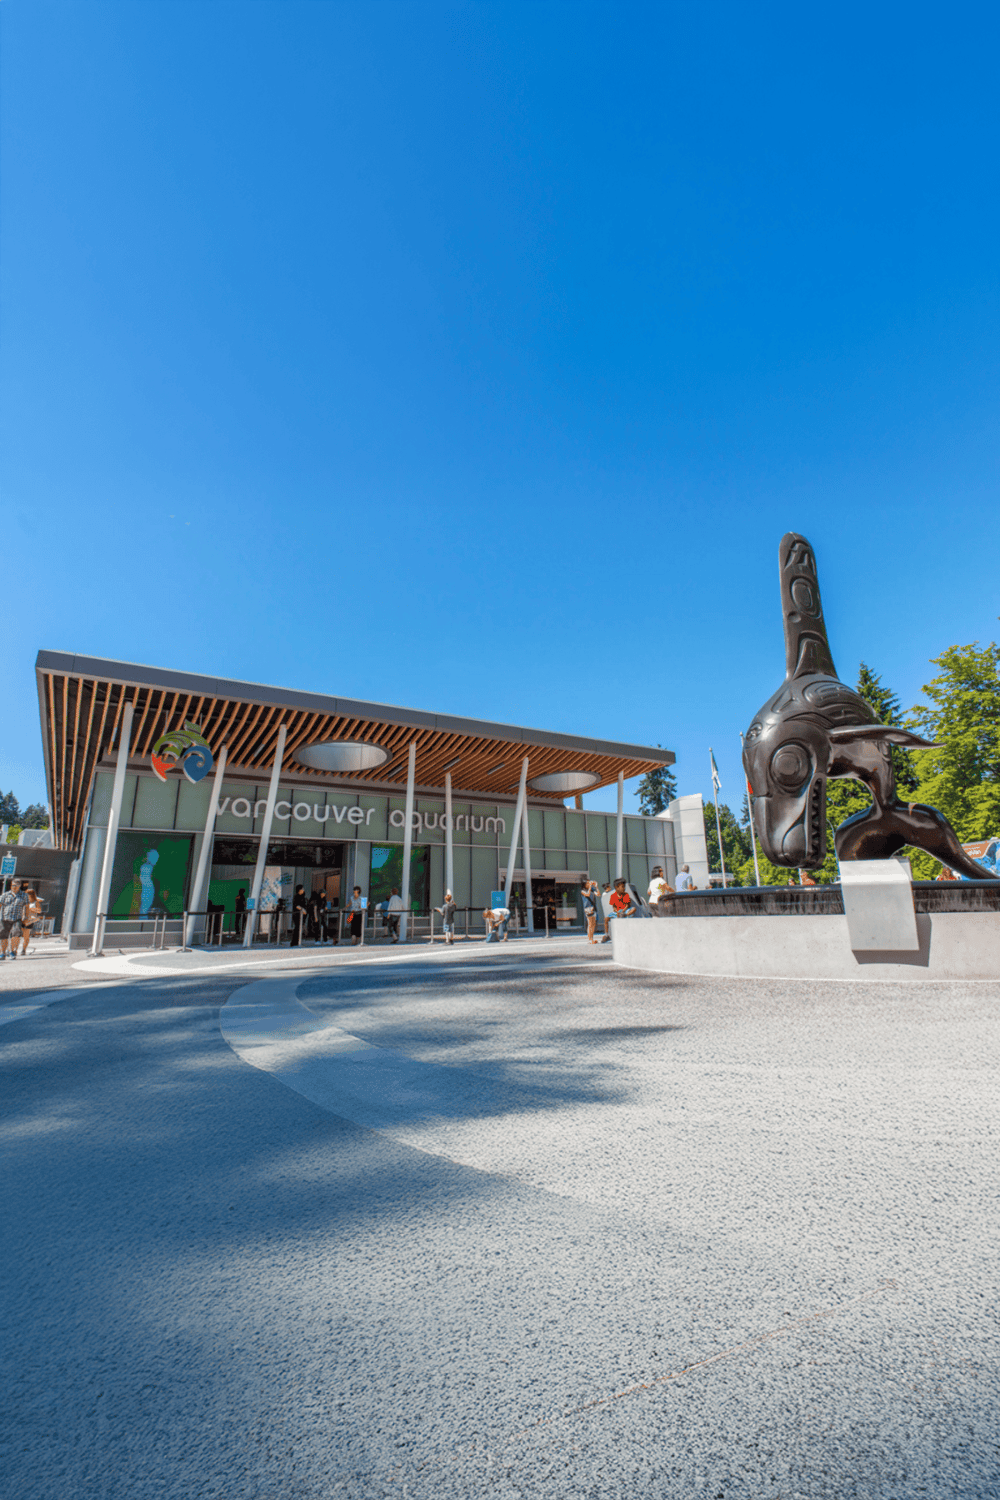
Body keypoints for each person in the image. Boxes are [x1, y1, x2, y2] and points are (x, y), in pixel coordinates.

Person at [0, 880, 28, 960]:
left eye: (15, 885)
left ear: (19, 886)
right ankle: (3, 953)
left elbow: (26, 906)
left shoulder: (24, 895)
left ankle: (12, 951)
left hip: (17, 918)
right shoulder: (5, 895)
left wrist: (25, 916)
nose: (13, 887)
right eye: (12, 885)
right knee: (3, 936)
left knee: (16, 935)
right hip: (4, 918)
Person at [18, 887, 43, 955]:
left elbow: (39, 910)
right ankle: (13, 949)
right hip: (20, 919)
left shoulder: (35, 902)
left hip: (29, 921)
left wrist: (31, 909)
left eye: (29, 894)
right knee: (16, 936)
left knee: (26, 936)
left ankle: (23, 950)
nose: (27, 895)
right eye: (26, 893)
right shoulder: (22, 900)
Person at [581, 876, 600, 943]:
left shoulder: (592, 889)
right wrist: (590, 887)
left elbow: (598, 894)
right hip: (588, 908)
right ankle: (589, 939)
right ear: (584, 884)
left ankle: (592, 938)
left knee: (593, 924)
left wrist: (596, 887)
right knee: (590, 924)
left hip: (593, 908)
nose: (589, 884)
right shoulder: (583, 891)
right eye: (587, 883)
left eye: (589, 883)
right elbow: (587, 894)